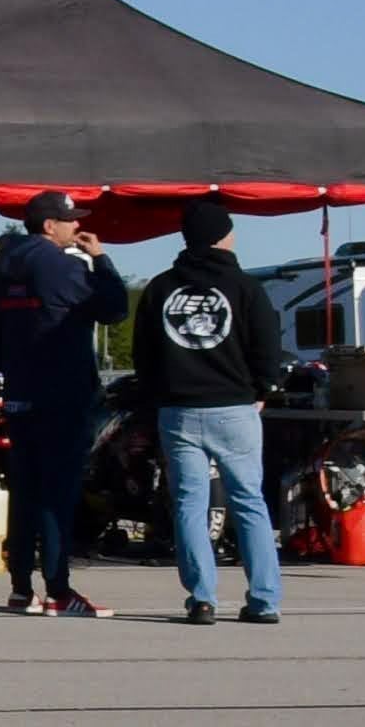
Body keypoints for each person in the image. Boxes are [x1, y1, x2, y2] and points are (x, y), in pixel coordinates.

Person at [0, 190, 133, 617]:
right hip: (62, 396)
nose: (77, 227)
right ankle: (60, 590)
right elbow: (115, 308)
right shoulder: (59, 266)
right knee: (57, 495)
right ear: (49, 226)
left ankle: (21, 587)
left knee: (24, 491)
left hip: (21, 394)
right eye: (70, 221)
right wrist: (100, 259)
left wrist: (20, 365)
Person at [133, 194, 284, 625]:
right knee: (248, 502)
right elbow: (267, 346)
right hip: (235, 408)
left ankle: (202, 597)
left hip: (179, 411)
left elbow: (145, 353)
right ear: (223, 236)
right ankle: (264, 599)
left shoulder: (160, 288)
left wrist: (158, 395)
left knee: (189, 503)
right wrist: (262, 388)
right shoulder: (247, 288)